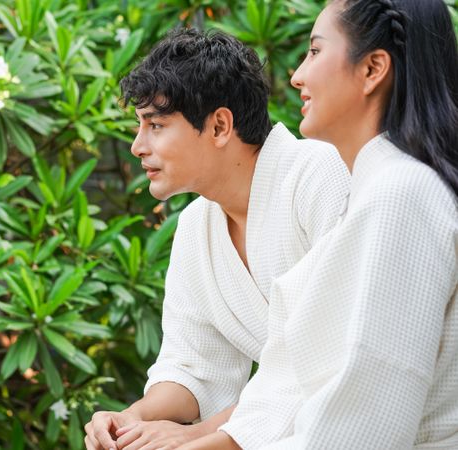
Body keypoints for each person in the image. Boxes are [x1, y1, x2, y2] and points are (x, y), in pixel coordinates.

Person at [178, 0, 458, 449]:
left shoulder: (401, 195)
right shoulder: (380, 190)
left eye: (315, 51)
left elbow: (367, 423)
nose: (297, 76)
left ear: (372, 70)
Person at [83, 29, 350, 450]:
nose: (137, 146)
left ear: (220, 125)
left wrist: (202, 437)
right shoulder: (195, 227)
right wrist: (133, 418)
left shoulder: (320, 177)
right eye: (139, 126)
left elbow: (330, 361)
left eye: (156, 125)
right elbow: (194, 366)